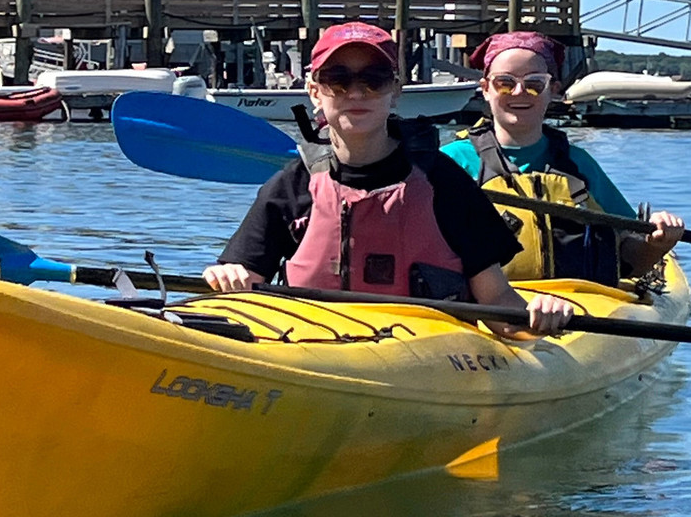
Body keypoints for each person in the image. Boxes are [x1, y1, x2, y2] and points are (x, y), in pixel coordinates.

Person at [203, 21, 574, 339]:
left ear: (395, 92)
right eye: (337, 79)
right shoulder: (292, 186)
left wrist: (539, 315)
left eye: (374, 79)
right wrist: (227, 276)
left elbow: (496, 302)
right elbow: (243, 290)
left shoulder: (442, 182)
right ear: (315, 92)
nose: (356, 92)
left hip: (428, 367)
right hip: (315, 352)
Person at [441, 31, 684, 285]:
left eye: (535, 84)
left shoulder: (579, 165)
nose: (519, 92)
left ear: (553, 90)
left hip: (579, 307)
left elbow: (630, 261)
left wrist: (658, 243)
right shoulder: (452, 162)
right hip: (486, 312)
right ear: (486, 89)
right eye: (505, 83)